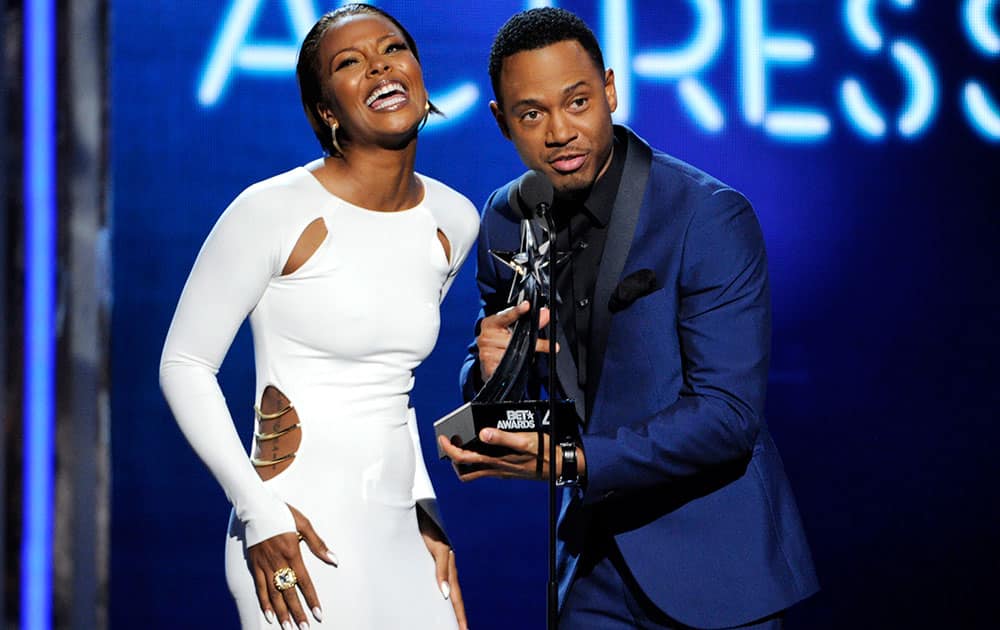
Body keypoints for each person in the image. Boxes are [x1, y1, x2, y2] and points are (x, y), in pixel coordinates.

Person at [440, 7, 818, 629]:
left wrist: (573, 459)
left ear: (610, 91)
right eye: (532, 113)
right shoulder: (507, 218)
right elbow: (522, 402)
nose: (560, 131)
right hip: (588, 568)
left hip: (713, 570)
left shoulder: (707, 216)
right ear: (501, 122)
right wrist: (491, 381)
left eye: (578, 101)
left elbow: (728, 416)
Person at [160, 4, 477, 629]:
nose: (380, 67)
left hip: (403, 534)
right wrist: (257, 511)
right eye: (350, 63)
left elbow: (393, 390)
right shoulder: (272, 210)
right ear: (326, 110)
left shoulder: (453, 218)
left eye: (393, 50)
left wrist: (429, 515)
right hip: (292, 532)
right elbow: (184, 364)